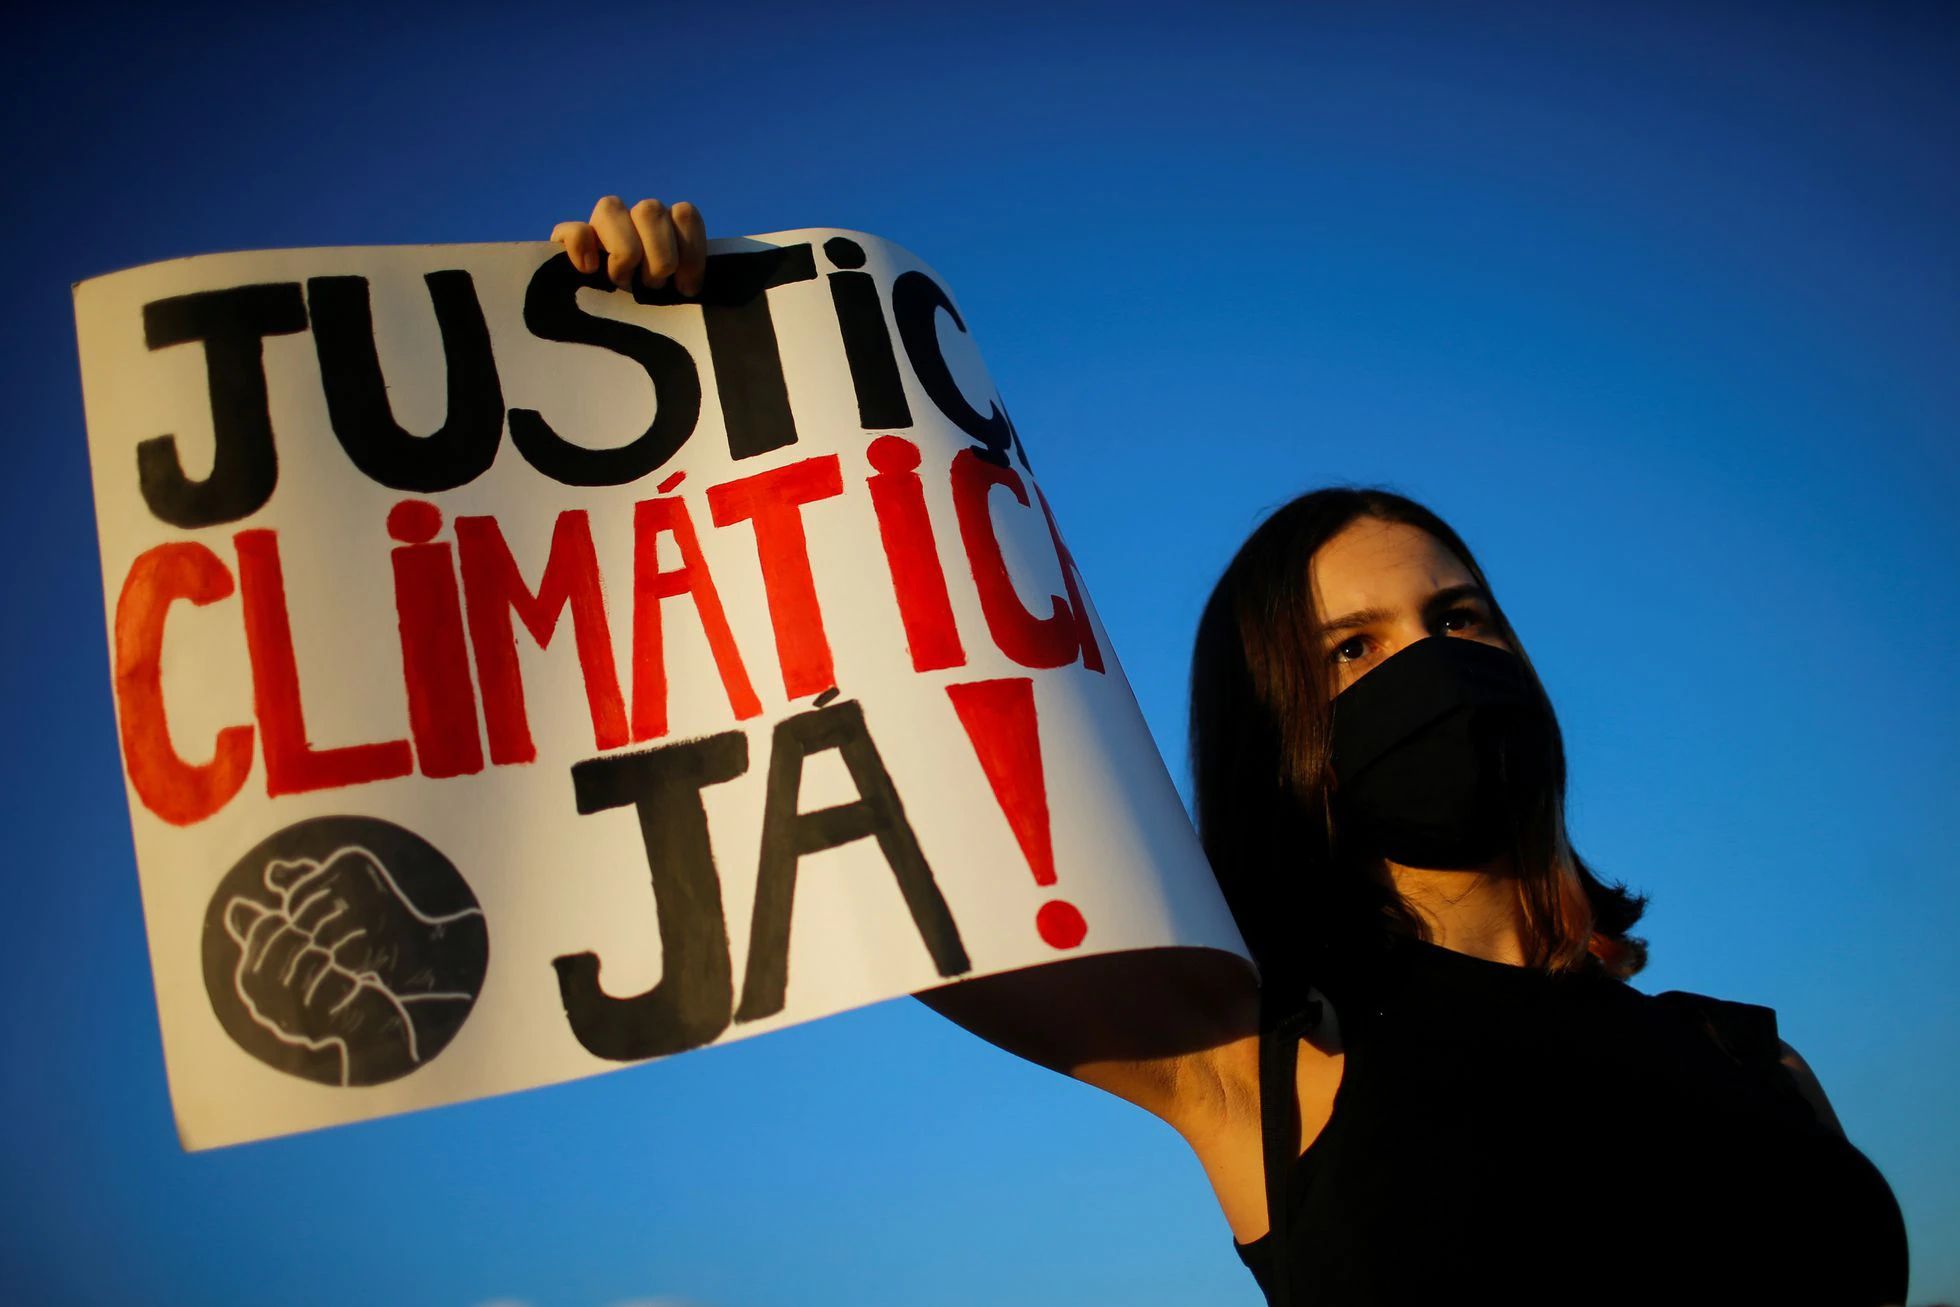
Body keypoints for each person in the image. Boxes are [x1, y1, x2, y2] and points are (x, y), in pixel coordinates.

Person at [550, 198, 1913, 1306]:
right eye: (1351, 652)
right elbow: (868, 850)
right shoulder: (1259, 1062)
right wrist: (686, 399)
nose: (1430, 662)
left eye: (1459, 617)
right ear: (1282, 738)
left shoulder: (1761, 1065)